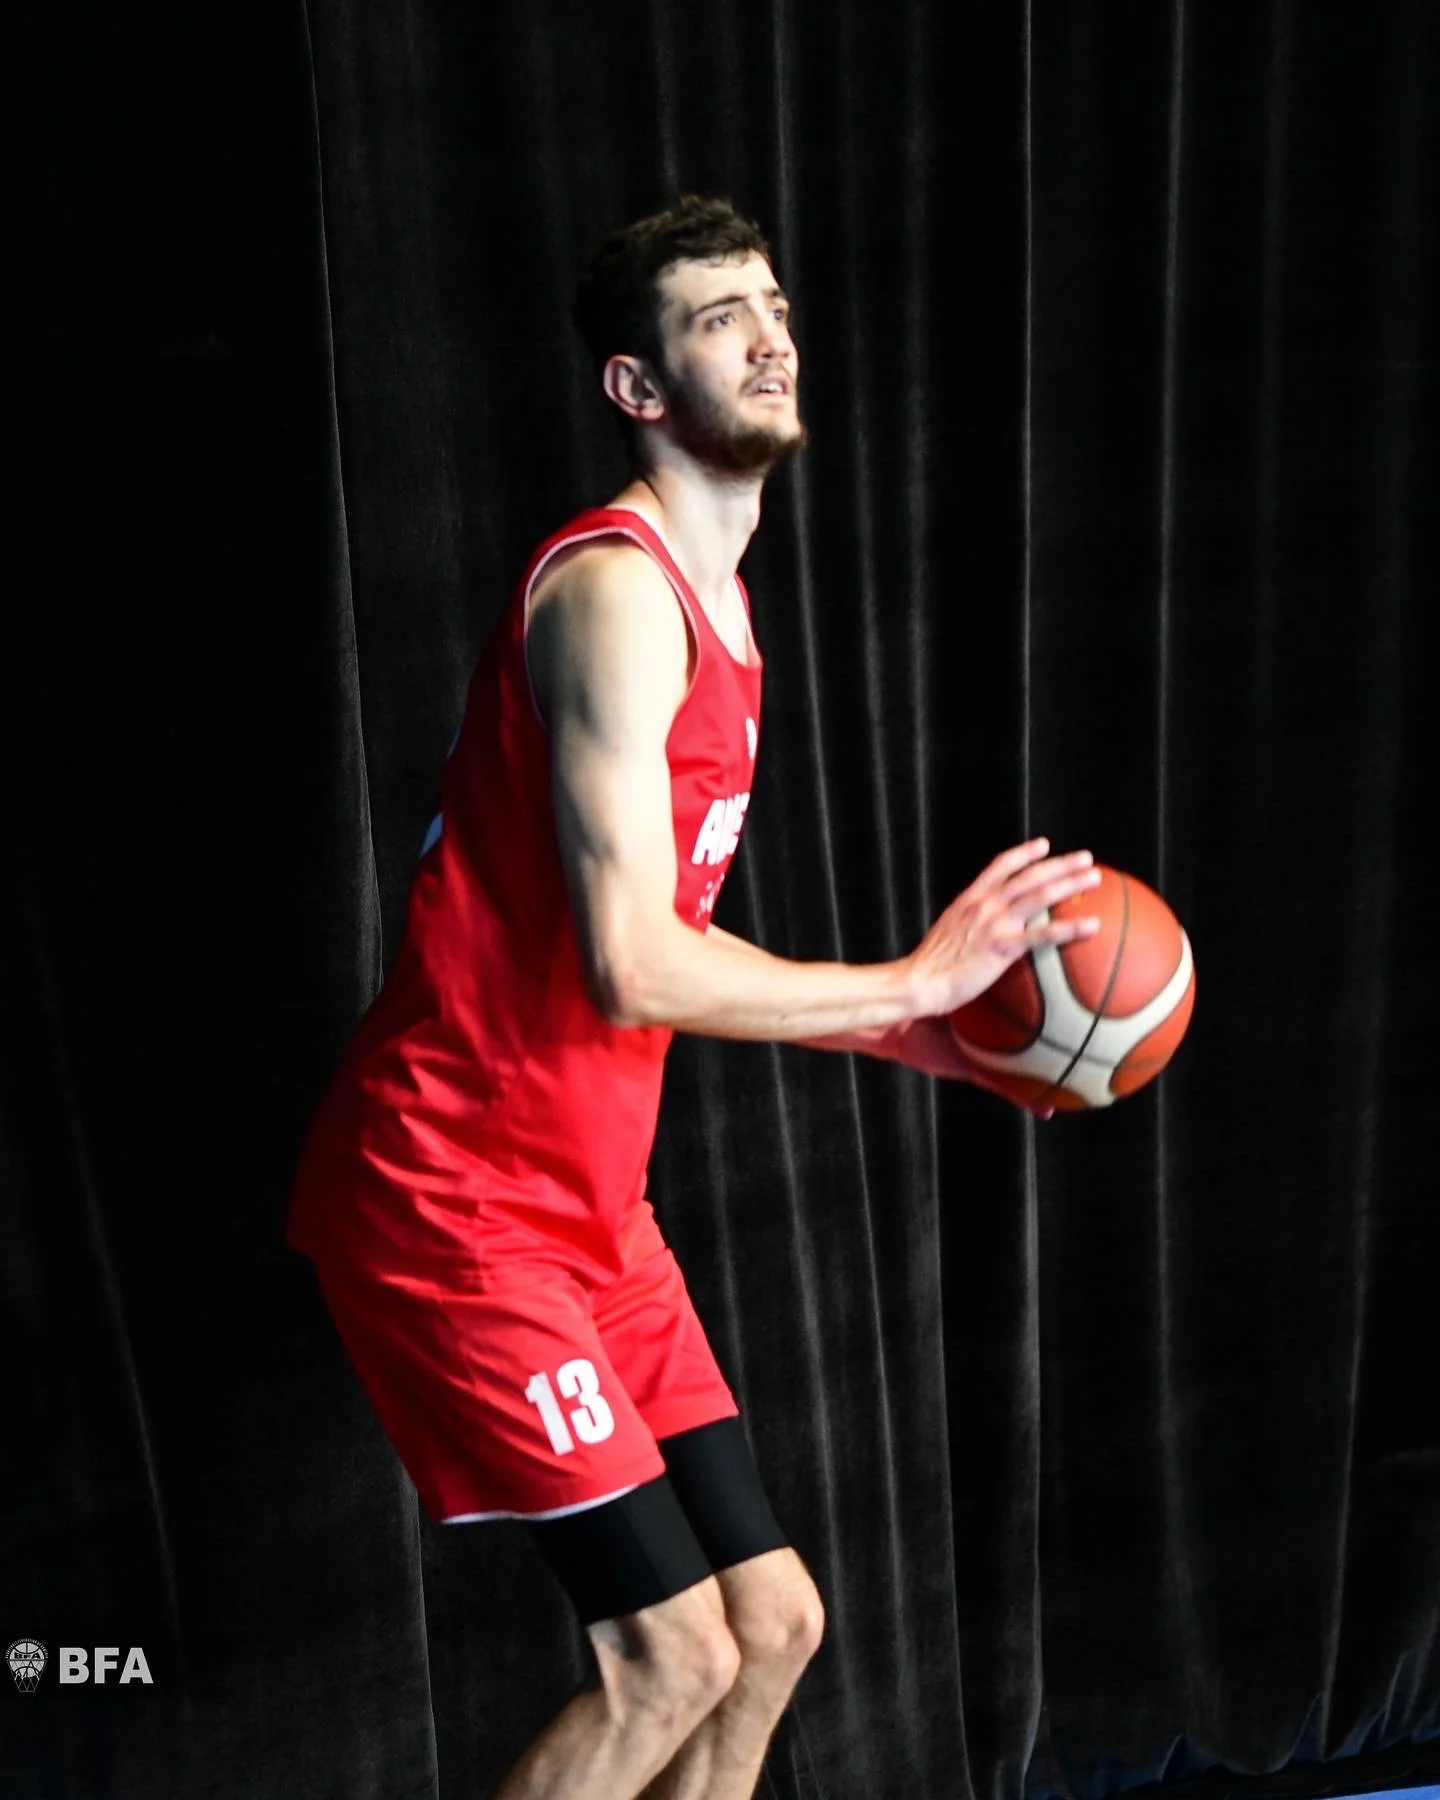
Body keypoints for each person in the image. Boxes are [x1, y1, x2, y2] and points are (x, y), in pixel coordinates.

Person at [285, 193, 1102, 1800]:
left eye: (774, 306)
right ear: (638, 387)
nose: (770, 336)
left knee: (775, 1626)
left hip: (590, 1212)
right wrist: (909, 975)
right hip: (450, 1193)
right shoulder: (616, 593)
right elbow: (634, 962)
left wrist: (923, 1034)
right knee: (670, 1657)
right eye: (721, 318)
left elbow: (665, 955)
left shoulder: (723, 608)